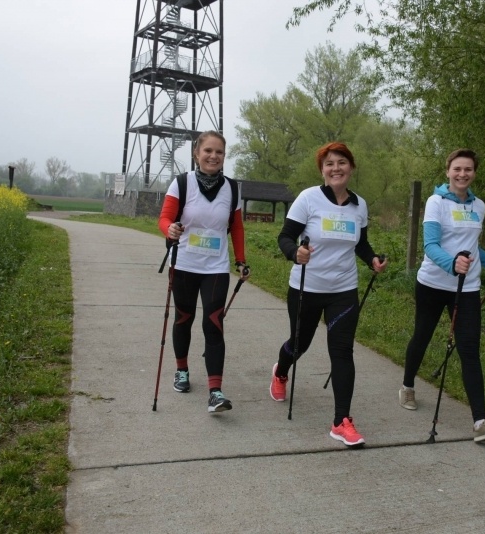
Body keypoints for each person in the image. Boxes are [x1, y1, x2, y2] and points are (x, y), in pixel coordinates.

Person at [270, 142, 387, 447]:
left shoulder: (359, 205)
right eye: (329, 164)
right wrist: (295, 253)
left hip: (343, 290)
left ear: (351, 167)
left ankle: (341, 421)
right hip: (306, 287)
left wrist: (372, 259)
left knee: (342, 351)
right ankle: (281, 372)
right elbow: (285, 237)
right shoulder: (308, 199)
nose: (336, 168)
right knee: (299, 344)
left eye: (342, 163)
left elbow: (360, 243)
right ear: (322, 170)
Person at [399, 148, 485, 442]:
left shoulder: (479, 206)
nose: (463, 174)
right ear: (448, 171)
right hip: (433, 284)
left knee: (469, 350)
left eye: (469, 170)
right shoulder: (436, 202)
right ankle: (408, 385)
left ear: (474, 173)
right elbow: (431, 245)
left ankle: (480, 421)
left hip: (467, 288)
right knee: (421, 336)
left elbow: (471, 245)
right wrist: (452, 264)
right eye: (457, 169)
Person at [158, 131, 250, 413]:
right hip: (184, 263)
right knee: (183, 318)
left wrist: (241, 260)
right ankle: (182, 370)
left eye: (219, 152)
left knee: (214, 324)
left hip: (216, 268)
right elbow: (164, 218)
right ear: (197, 153)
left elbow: (236, 227)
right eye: (208, 151)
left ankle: (215, 391)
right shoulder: (182, 183)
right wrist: (170, 229)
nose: (213, 156)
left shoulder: (232, 188)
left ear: (224, 156)